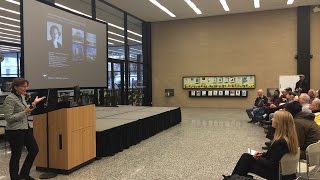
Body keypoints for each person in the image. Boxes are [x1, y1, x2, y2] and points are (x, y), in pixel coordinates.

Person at [226, 110, 299, 179]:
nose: (272, 119)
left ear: (280, 122)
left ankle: (233, 178)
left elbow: (271, 164)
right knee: (246, 157)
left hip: (275, 174)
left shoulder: (280, 142)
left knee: (246, 160)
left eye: (274, 118)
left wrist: (257, 158)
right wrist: (262, 154)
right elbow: (275, 156)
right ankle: (234, 178)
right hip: (285, 172)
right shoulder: (289, 138)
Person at [4, 78, 45, 180]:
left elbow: (27, 110)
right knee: (16, 155)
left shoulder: (21, 96)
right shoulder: (10, 98)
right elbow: (8, 118)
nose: (25, 88)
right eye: (23, 86)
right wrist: (24, 111)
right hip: (14, 131)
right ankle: (15, 177)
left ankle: (24, 174)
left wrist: (34, 104)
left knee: (34, 149)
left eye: (26, 86)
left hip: (25, 128)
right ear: (15, 87)